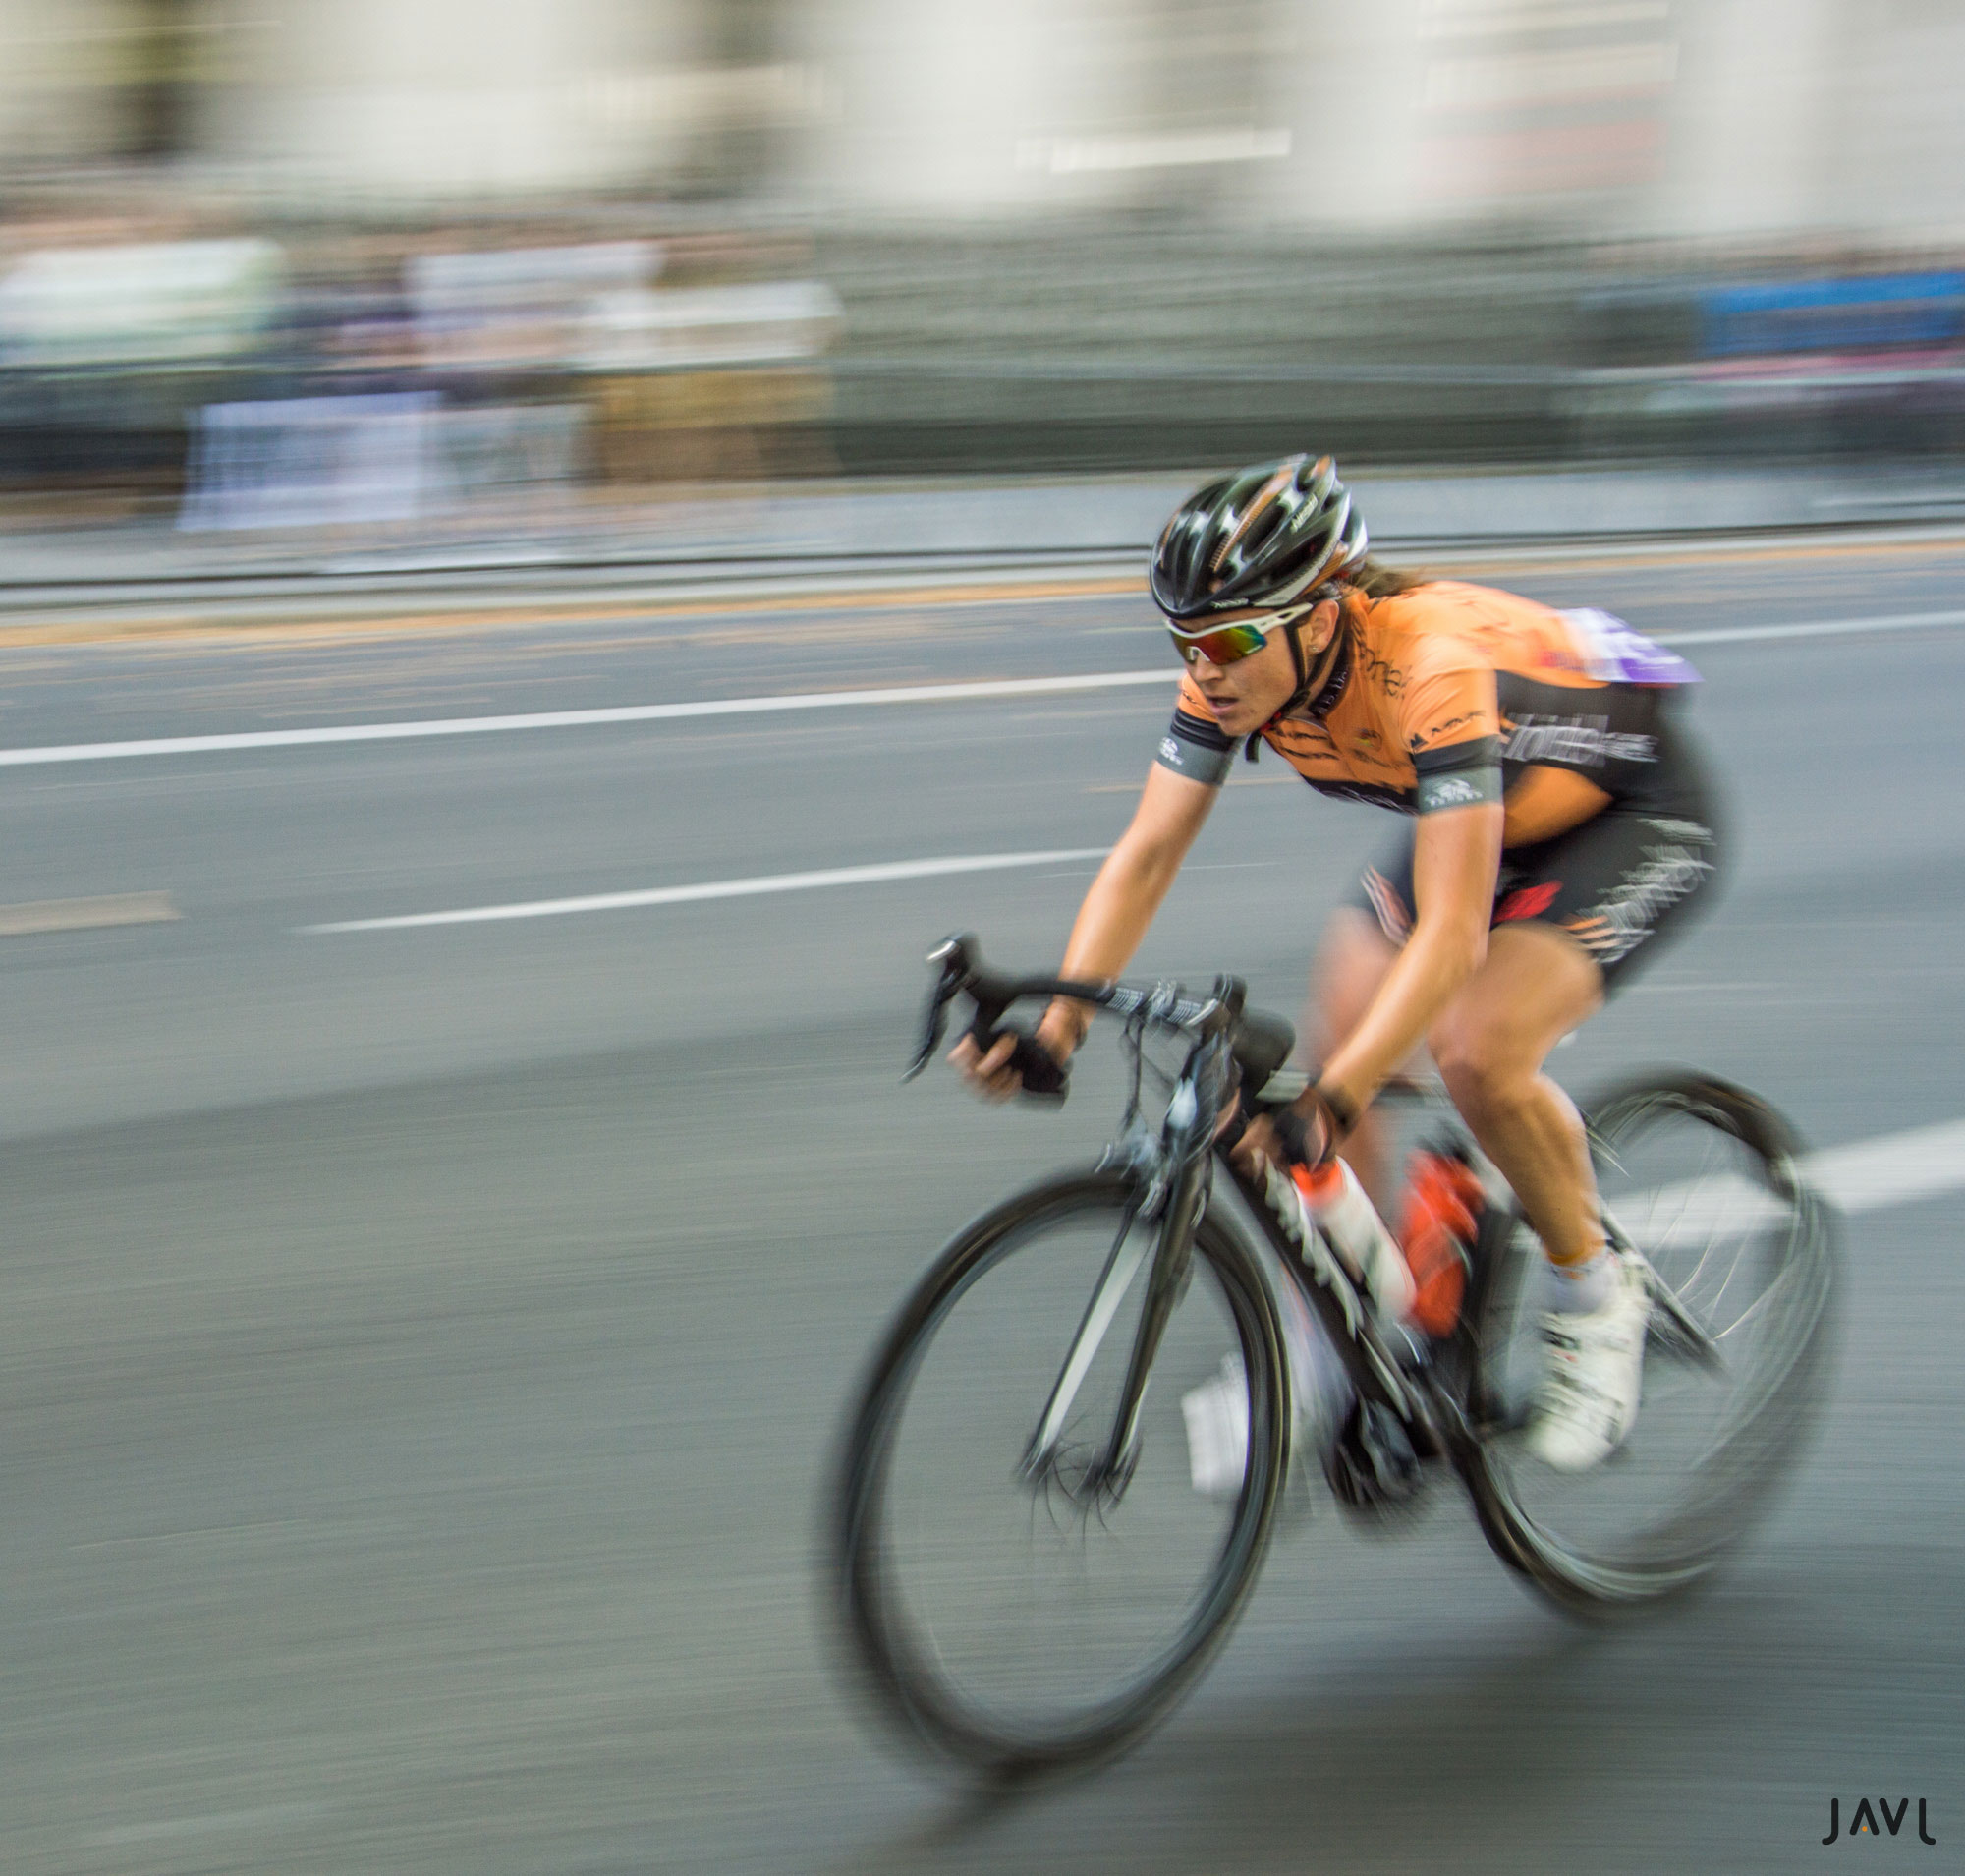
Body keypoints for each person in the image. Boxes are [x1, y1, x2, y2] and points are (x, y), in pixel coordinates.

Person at [953, 454, 1721, 1471]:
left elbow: (1450, 936)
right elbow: (1144, 855)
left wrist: (1342, 1096)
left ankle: (1594, 1293)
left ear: (1317, 615)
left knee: (1473, 1051)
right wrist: (1058, 1027)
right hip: (1481, 812)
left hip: (1626, 814)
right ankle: (1340, 1334)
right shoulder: (1232, 674)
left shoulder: (1428, 665)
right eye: (1182, 640)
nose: (1203, 666)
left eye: (1226, 638)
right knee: (1334, 1024)